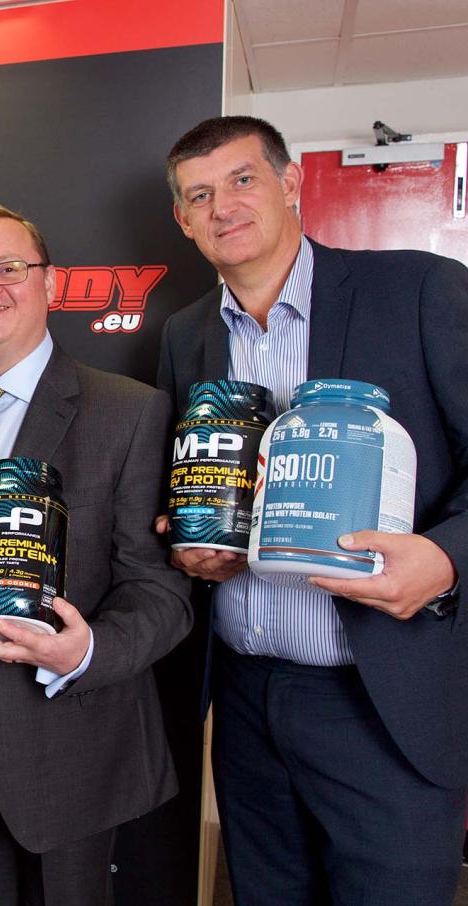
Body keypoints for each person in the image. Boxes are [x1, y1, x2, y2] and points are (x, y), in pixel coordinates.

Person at [157, 115, 468, 905]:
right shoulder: (184, 335)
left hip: (379, 697)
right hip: (244, 699)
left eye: (242, 179)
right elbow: (187, 491)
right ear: (183, 221)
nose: (222, 205)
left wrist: (447, 559)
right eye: (200, 194)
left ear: (291, 183)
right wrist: (184, 544)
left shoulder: (420, 289)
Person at [0, 205, 192, 906]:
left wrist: (83, 653)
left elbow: (160, 592)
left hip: (65, 732)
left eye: (9, 269)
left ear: (50, 283)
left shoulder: (130, 411)